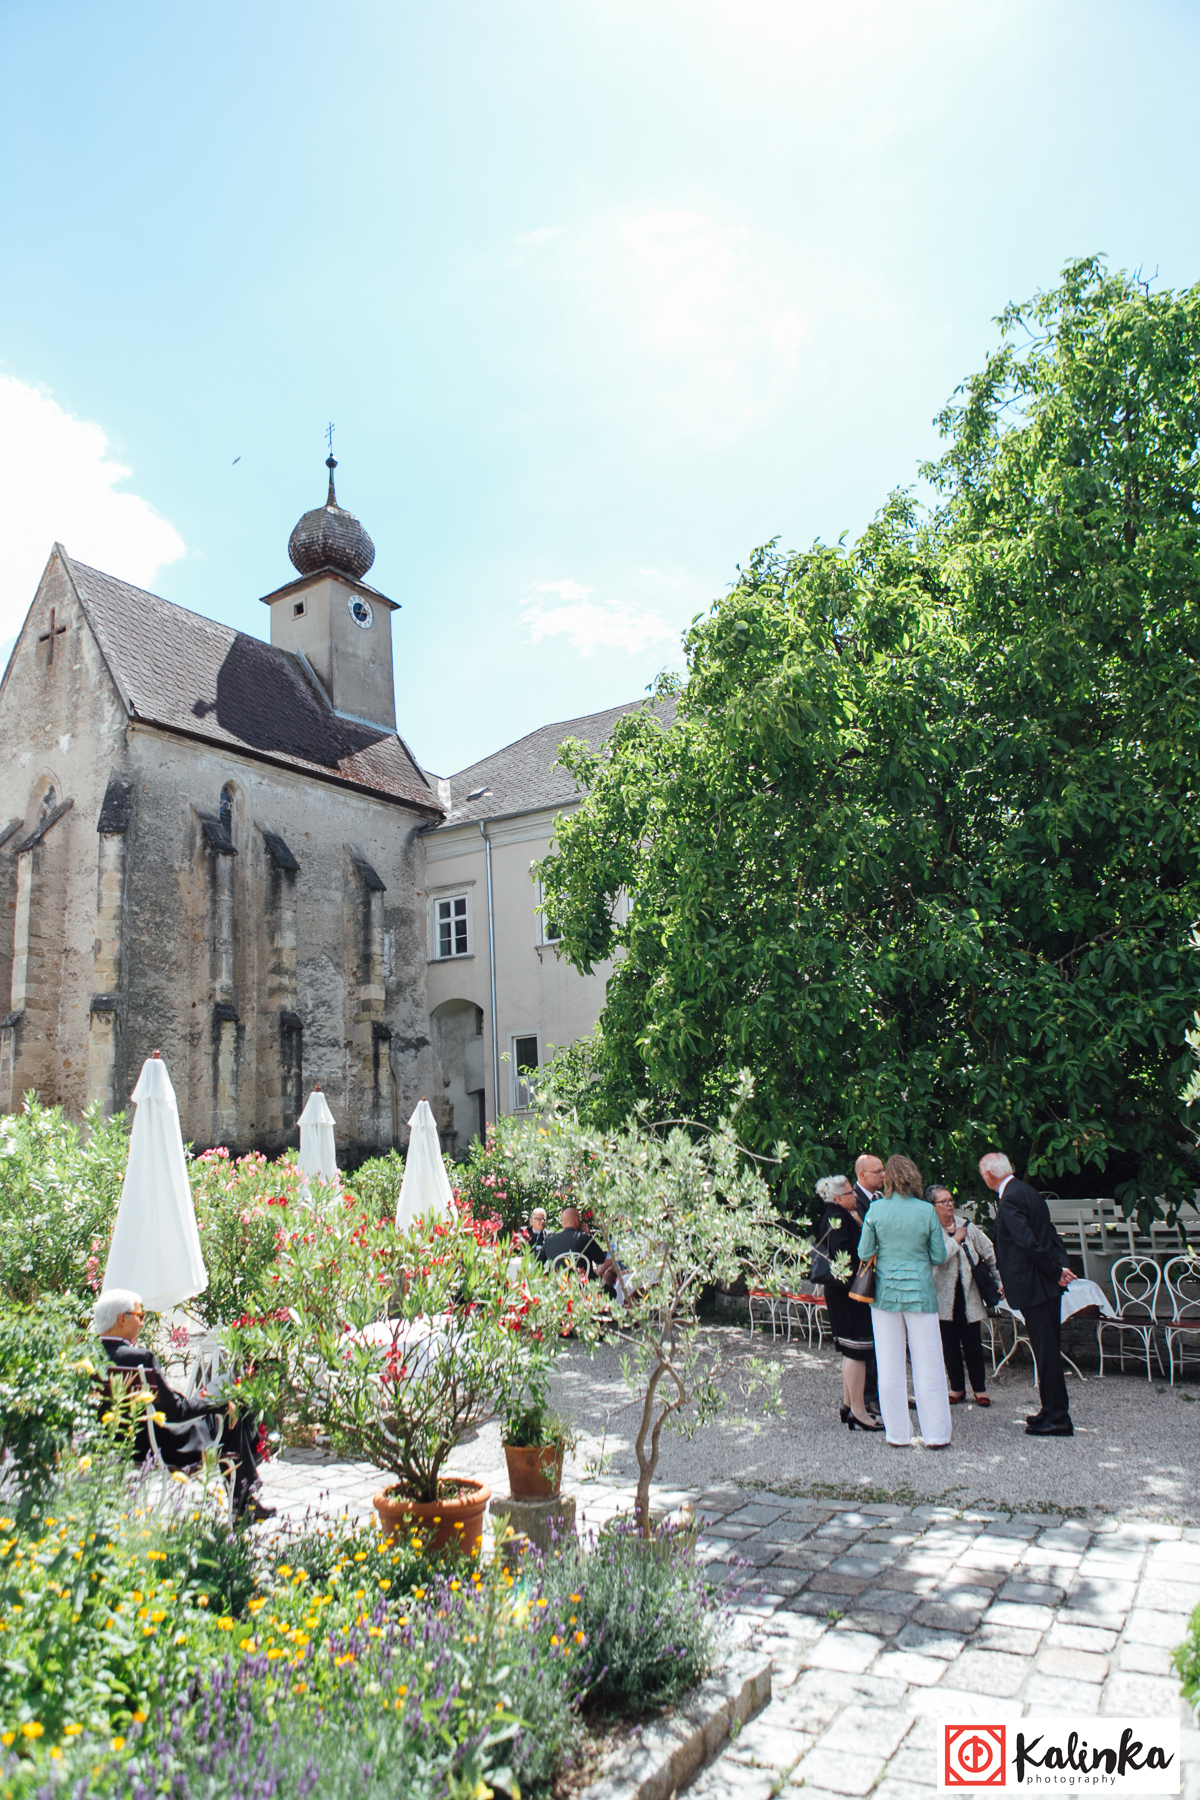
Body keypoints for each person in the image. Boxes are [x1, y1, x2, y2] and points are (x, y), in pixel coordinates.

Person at [93, 1289, 274, 1521]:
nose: (142, 1323)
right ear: (122, 1319)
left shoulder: (87, 1355)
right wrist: (210, 1400)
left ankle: (249, 1481)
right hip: (163, 1446)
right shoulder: (139, 1358)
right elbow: (177, 1411)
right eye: (140, 1316)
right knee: (232, 1408)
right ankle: (246, 1491)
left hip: (116, 1443)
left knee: (227, 1405)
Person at [978, 1152, 1076, 1437]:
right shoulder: (1027, 1191)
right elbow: (1050, 1233)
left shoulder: (1009, 1198)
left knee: (1046, 1353)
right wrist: (1060, 1266)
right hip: (1042, 1283)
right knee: (1046, 1350)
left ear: (988, 1175)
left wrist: (1057, 1271)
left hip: (1037, 1286)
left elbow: (1028, 1243)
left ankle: (1058, 1417)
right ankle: (1050, 1409)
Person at [857, 1155, 951, 1448]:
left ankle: (897, 1433)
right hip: (920, 1292)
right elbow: (938, 1256)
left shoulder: (875, 1209)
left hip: (885, 1294)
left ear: (887, 1180)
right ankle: (936, 1433)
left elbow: (863, 1252)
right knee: (930, 1363)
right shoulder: (925, 1211)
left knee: (889, 1364)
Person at [813, 1174, 879, 1429]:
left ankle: (850, 1404)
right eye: (851, 1193)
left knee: (854, 1351)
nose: (855, 1197)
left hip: (843, 1290)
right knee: (855, 1350)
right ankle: (859, 1411)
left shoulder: (839, 1215)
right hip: (846, 1291)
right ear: (839, 1198)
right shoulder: (837, 1218)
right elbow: (843, 1252)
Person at [928, 1184, 1000, 1408]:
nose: (950, 1204)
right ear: (933, 1207)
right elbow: (937, 1259)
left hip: (969, 1295)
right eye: (944, 1201)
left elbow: (990, 1253)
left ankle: (980, 1390)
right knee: (949, 1345)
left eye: (951, 1200)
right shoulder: (930, 1231)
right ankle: (957, 1388)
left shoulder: (968, 1227)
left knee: (973, 1344)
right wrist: (955, 1240)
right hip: (943, 1298)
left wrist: (999, 1281)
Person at [536, 1206, 617, 1286]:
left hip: (558, 1287)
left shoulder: (550, 1240)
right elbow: (601, 1259)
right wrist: (588, 1236)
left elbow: (536, 1261)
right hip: (583, 1287)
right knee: (612, 1292)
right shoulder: (585, 1239)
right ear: (576, 1219)